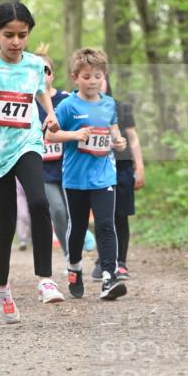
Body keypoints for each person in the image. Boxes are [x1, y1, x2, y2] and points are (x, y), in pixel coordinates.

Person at [0, 1, 64, 324]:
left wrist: (51, 115)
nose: (16, 42)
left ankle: (44, 278)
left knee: (38, 201)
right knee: (3, 221)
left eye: (22, 35)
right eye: (9, 35)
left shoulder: (33, 65)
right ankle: (0, 285)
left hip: (26, 143)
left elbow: (41, 91)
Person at [48, 48, 128, 301]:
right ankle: (74, 266)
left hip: (104, 175)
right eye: (86, 76)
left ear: (103, 77)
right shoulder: (67, 106)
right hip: (75, 177)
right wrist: (74, 135)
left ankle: (108, 277)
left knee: (106, 224)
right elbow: (49, 135)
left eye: (97, 76)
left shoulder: (109, 103)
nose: (92, 81)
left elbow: (113, 130)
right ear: (75, 78)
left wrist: (119, 141)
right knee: (79, 227)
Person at [91, 75, 145, 280]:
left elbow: (132, 137)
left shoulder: (121, 107)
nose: (96, 82)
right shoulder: (82, 107)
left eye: (100, 78)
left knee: (120, 215)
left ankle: (120, 262)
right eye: (90, 77)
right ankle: (102, 259)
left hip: (122, 166)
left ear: (107, 82)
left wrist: (139, 166)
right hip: (97, 165)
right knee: (102, 216)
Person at [35, 45, 70, 261]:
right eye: (37, 71)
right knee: (57, 211)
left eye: (46, 70)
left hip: (69, 166)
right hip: (43, 169)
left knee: (75, 213)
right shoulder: (26, 103)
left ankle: (78, 239)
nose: (42, 75)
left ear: (52, 75)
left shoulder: (66, 100)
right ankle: (69, 256)